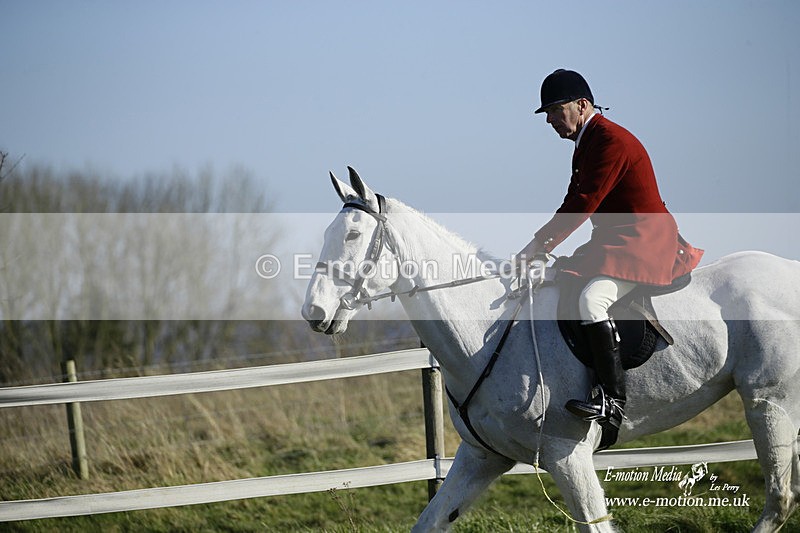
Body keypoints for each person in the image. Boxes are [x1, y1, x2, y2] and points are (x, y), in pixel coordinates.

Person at [516, 69, 703, 431]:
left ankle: (612, 400)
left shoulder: (610, 141)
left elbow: (583, 203)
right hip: (615, 239)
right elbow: (575, 199)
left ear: (582, 104)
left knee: (592, 301)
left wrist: (537, 246)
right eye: (548, 114)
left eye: (556, 110)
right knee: (560, 281)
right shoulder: (588, 142)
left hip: (644, 238)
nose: (551, 120)